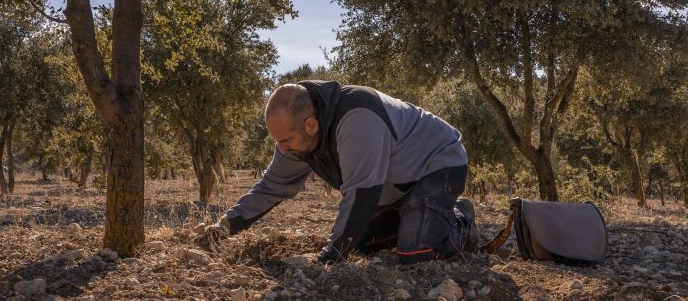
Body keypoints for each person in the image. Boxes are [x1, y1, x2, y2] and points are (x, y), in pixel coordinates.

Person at [196, 80, 480, 264]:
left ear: (310, 125)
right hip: (395, 184)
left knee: (415, 252)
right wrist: (226, 226)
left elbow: (361, 193)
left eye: (285, 141)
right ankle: (415, 216)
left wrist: (331, 256)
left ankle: (461, 218)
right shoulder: (297, 140)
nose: (281, 150)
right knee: (363, 243)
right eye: (277, 142)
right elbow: (271, 186)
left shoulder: (357, 118)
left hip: (437, 163)